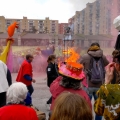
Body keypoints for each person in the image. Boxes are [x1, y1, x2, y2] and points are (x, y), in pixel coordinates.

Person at [80, 42, 109, 120]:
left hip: (88, 85)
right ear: (99, 48)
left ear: (90, 47)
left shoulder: (85, 56)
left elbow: (77, 64)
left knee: (87, 106)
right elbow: (107, 64)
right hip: (99, 85)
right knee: (99, 107)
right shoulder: (102, 56)